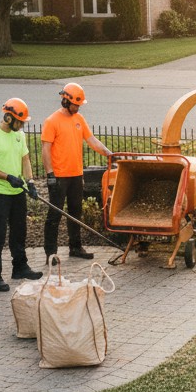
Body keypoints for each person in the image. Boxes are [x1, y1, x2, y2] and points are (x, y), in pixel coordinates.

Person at [0, 98, 42, 292]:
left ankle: (20, 267)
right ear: (8, 117)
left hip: (18, 192)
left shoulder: (19, 135)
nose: (22, 125)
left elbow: (25, 159)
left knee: (19, 231)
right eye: (20, 121)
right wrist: (7, 177)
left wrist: (30, 182)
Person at [41, 83, 111, 261]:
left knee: (75, 212)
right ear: (65, 101)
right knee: (54, 215)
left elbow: (92, 140)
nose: (78, 107)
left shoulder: (79, 119)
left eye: (79, 105)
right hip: (58, 177)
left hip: (76, 175)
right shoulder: (52, 121)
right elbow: (45, 149)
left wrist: (110, 154)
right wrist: (50, 174)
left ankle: (75, 247)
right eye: (75, 104)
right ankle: (51, 253)